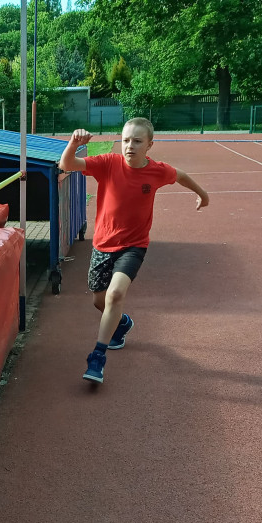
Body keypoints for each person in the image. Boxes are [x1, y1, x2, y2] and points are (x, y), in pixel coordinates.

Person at [59, 118, 209, 383]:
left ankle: (97, 357)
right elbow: (66, 165)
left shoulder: (157, 171)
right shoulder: (108, 163)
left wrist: (202, 195)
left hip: (134, 246)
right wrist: (73, 143)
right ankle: (123, 323)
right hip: (103, 244)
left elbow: (181, 176)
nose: (130, 146)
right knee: (100, 301)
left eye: (137, 141)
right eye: (126, 140)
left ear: (150, 145)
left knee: (115, 295)